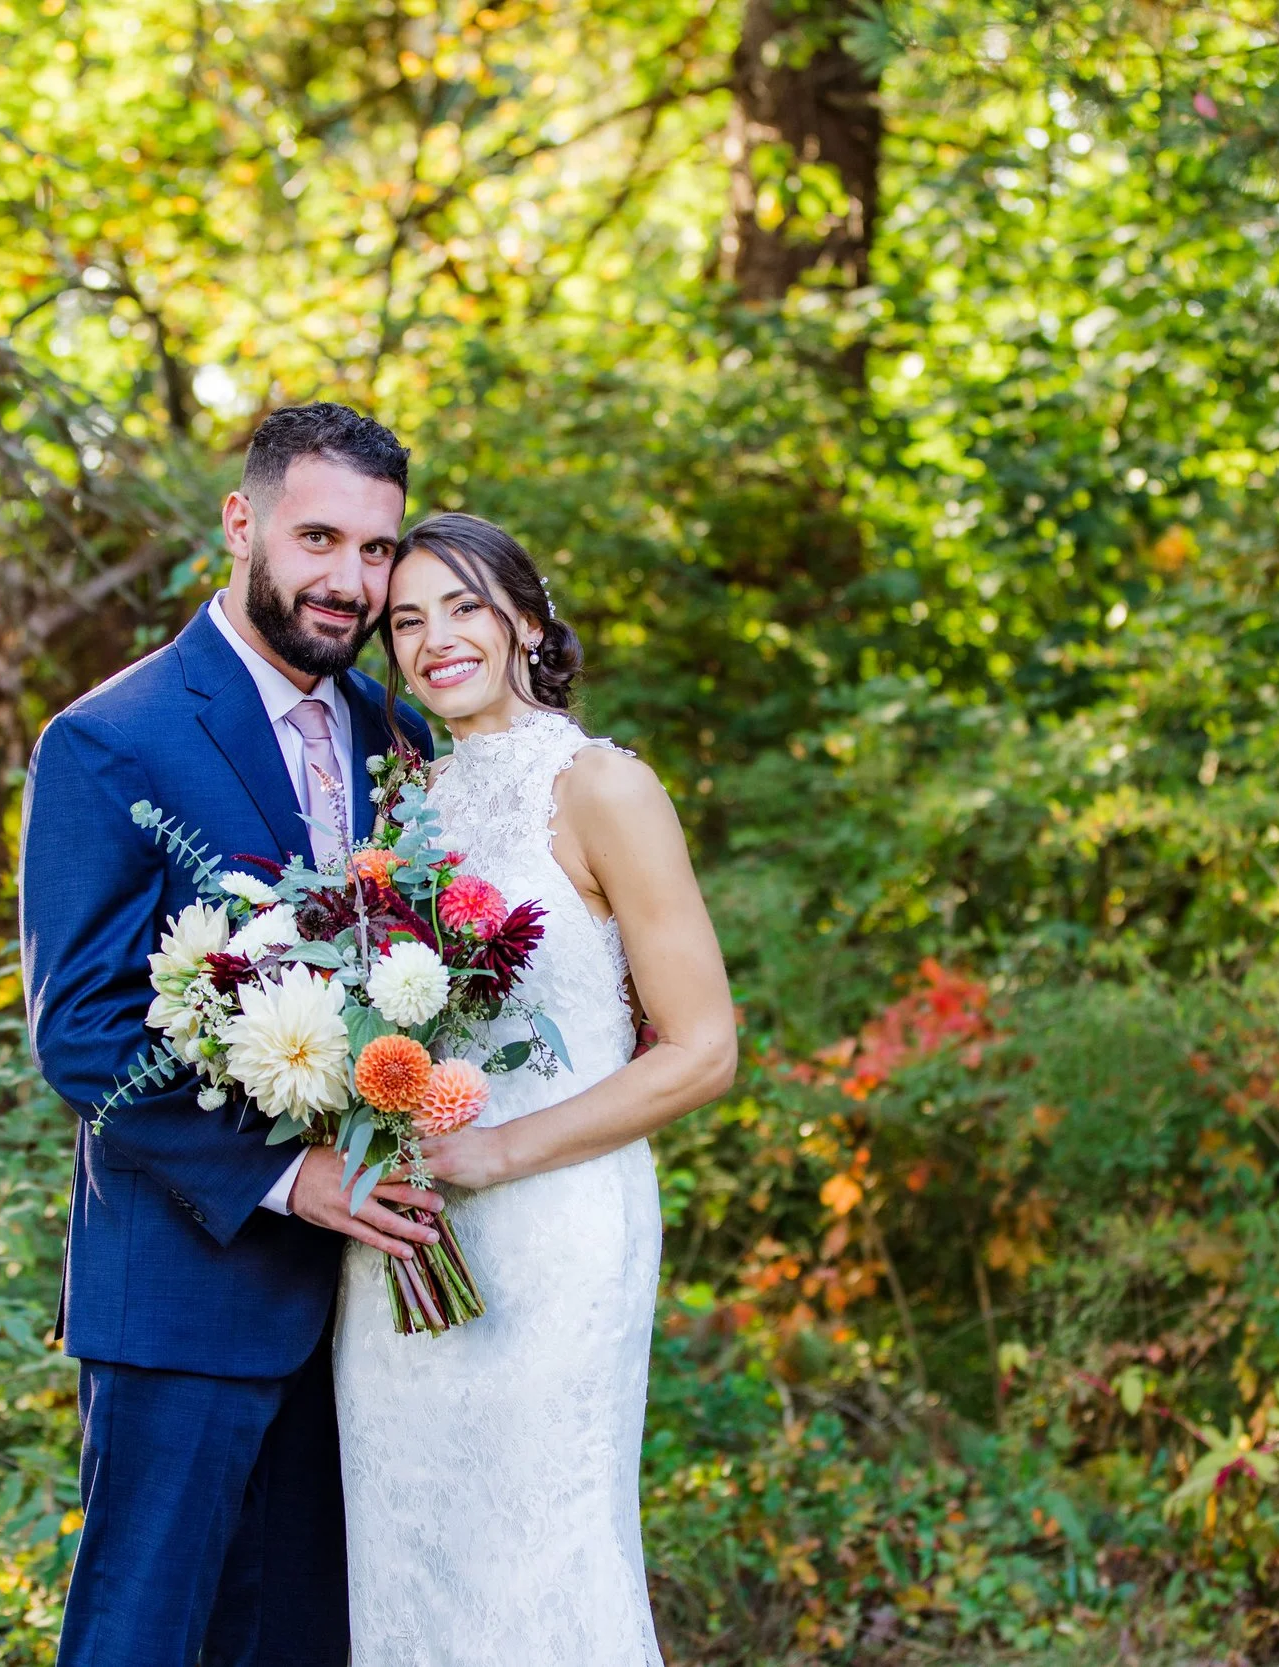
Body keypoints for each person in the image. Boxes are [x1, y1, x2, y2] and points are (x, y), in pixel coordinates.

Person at [18, 402, 442, 1666]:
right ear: (241, 522)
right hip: (186, 1294)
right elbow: (85, 1035)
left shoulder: (396, 735)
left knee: (305, 1639)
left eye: (376, 551)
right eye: (320, 538)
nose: (349, 580)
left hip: (363, 1308)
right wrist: (288, 1176)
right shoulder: (110, 738)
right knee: (144, 1639)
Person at [333, 512, 738, 1665]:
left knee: (539, 1552)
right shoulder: (403, 805)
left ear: (523, 616)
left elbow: (701, 1048)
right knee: (410, 1551)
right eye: (405, 619)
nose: (433, 638)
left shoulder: (602, 784)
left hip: (556, 1226)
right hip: (406, 1236)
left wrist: (496, 1154)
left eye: (461, 605)